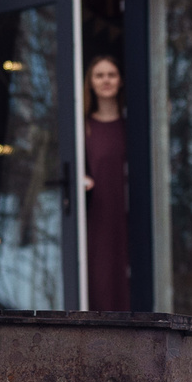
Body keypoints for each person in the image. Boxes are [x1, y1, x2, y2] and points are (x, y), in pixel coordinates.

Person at [81, 53, 130, 310]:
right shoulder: (83, 128)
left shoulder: (131, 126)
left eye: (111, 74)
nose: (106, 80)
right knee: (101, 283)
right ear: (90, 82)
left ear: (121, 80)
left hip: (129, 215)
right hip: (97, 217)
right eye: (99, 75)